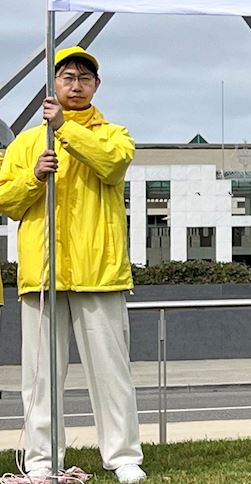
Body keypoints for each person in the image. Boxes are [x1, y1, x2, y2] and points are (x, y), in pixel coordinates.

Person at [0, 46, 146, 482]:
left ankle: (123, 457)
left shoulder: (114, 135)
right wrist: (33, 177)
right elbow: (6, 201)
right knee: (40, 377)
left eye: (84, 78)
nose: (76, 85)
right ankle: (42, 460)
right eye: (67, 77)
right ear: (54, 84)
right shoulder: (27, 144)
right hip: (43, 276)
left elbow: (111, 165)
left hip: (99, 273)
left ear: (96, 85)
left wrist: (65, 129)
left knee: (111, 372)